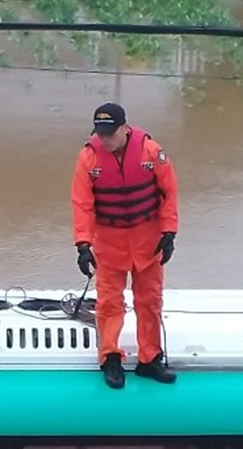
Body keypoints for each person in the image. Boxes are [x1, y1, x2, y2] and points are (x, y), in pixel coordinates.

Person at [71, 102, 179, 390]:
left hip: (148, 242)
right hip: (109, 243)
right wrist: (83, 245)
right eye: (101, 134)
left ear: (124, 128)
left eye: (110, 134)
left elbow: (169, 193)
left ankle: (150, 358)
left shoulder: (152, 152)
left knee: (150, 300)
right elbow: (82, 204)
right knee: (109, 303)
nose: (105, 139)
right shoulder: (88, 159)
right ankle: (110, 357)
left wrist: (169, 233)